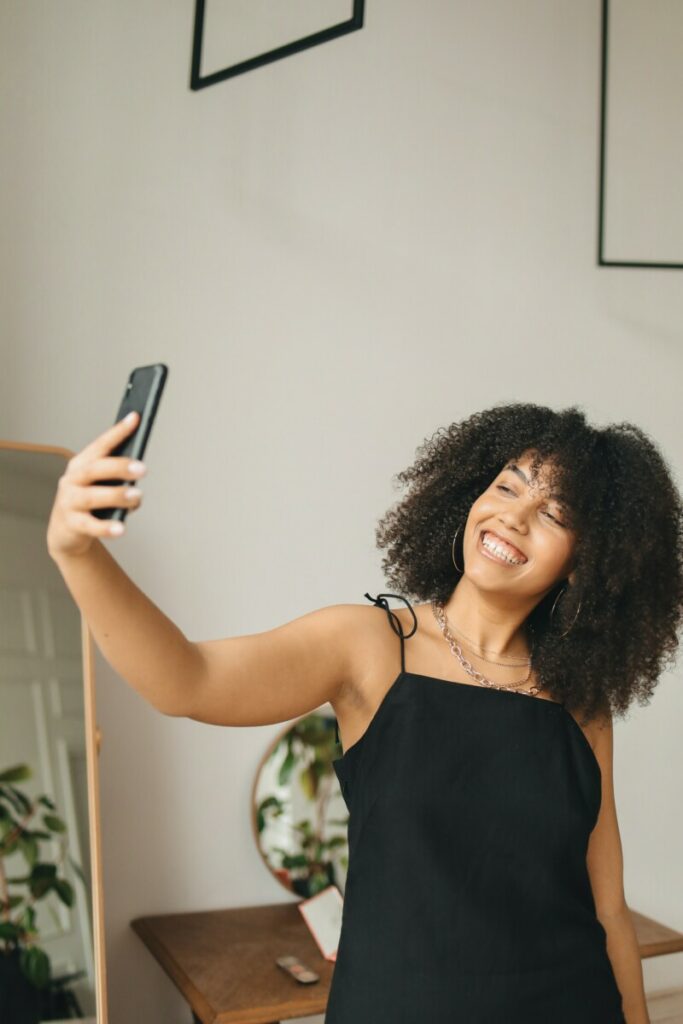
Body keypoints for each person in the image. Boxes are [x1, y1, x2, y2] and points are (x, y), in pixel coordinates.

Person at [47, 401, 681, 1023]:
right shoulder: (371, 647)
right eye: (507, 486)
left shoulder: (581, 701)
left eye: (552, 514)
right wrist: (78, 553)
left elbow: (608, 911)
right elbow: (187, 681)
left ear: (584, 565)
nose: (514, 517)